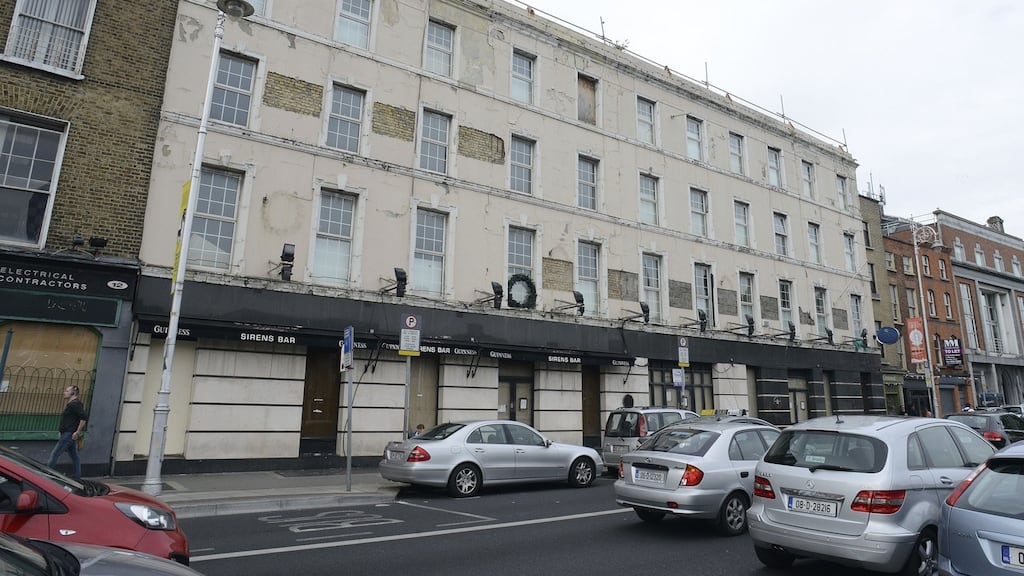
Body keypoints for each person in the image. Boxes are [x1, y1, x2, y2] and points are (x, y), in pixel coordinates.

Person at [48, 385, 88, 479]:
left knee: (55, 454)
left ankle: (46, 474)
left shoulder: (74, 404)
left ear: (73, 393)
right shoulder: (73, 404)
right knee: (74, 455)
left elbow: (84, 418)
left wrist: (77, 432)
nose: (64, 392)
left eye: (66, 391)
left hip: (69, 434)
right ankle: (77, 476)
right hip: (68, 433)